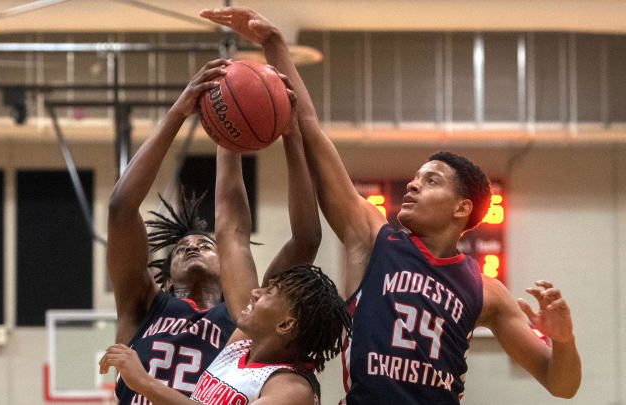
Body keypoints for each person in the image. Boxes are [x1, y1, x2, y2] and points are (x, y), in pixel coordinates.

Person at [200, 7, 582, 404]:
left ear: (461, 208)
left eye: (431, 181)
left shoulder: (486, 292)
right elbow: (311, 128)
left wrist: (565, 341)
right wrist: (276, 46)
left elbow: (561, 383)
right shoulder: (372, 237)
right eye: (415, 179)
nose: (413, 186)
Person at [107, 58, 321, 404]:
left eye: (206, 245)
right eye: (181, 249)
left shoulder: (247, 319)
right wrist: (179, 113)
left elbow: (301, 237)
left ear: (231, 272)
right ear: (164, 280)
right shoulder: (143, 306)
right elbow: (120, 209)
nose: (192, 246)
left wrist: (285, 134)